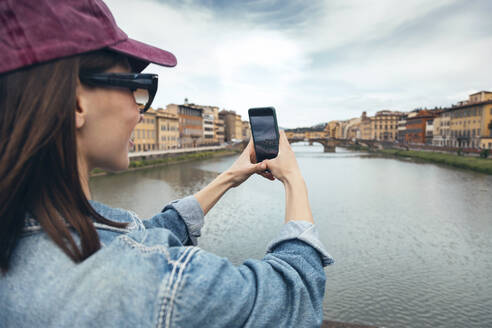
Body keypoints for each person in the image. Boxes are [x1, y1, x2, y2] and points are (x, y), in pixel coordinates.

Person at [0, 0, 334, 327]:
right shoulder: (146, 282)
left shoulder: (24, 234)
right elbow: (295, 297)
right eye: (135, 88)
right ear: (76, 103)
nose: (138, 110)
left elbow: (146, 234)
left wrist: (229, 177)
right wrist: (294, 179)